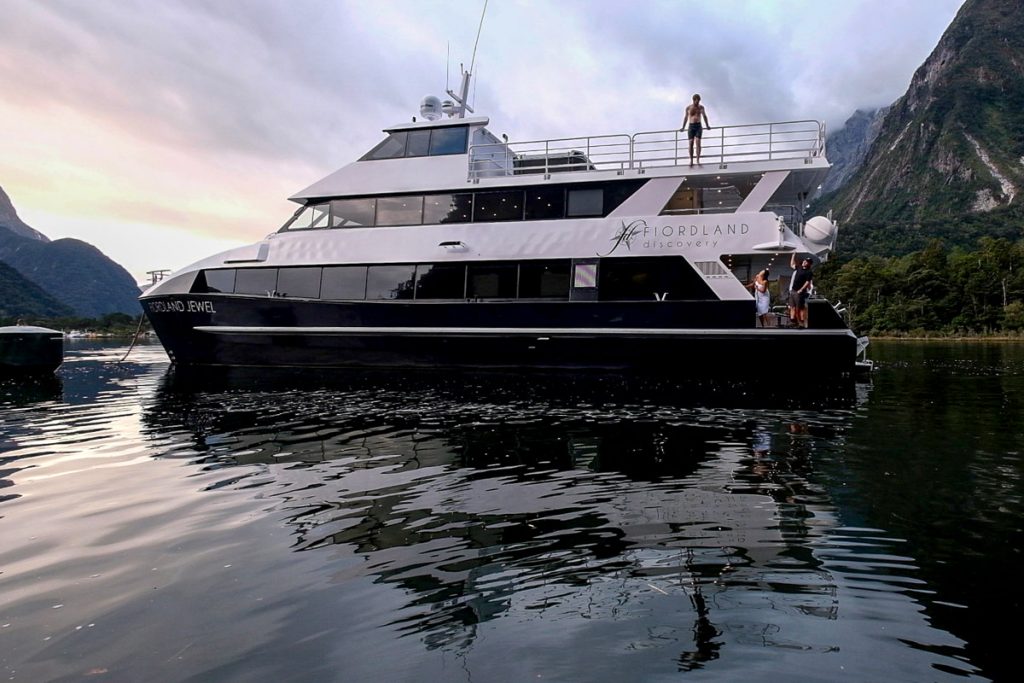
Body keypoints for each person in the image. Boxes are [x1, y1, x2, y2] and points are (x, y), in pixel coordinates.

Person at [680, 93, 711, 167]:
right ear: (694, 100)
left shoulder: (701, 107)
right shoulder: (688, 108)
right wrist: (683, 127)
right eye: (697, 101)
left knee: (698, 142)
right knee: (691, 143)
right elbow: (686, 117)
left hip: (698, 126)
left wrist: (707, 125)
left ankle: (698, 159)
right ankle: (691, 160)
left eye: (699, 101)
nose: (698, 102)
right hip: (691, 126)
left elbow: (704, 116)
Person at [788, 253, 814, 328]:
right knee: (792, 306)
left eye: (806, 262)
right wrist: (793, 255)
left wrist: (801, 289)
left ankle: (801, 322)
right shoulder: (799, 268)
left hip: (800, 292)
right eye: (804, 261)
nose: (804, 262)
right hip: (793, 290)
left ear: (809, 264)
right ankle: (793, 321)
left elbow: (807, 282)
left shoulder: (809, 272)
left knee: (799, 308)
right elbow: (792, 265)